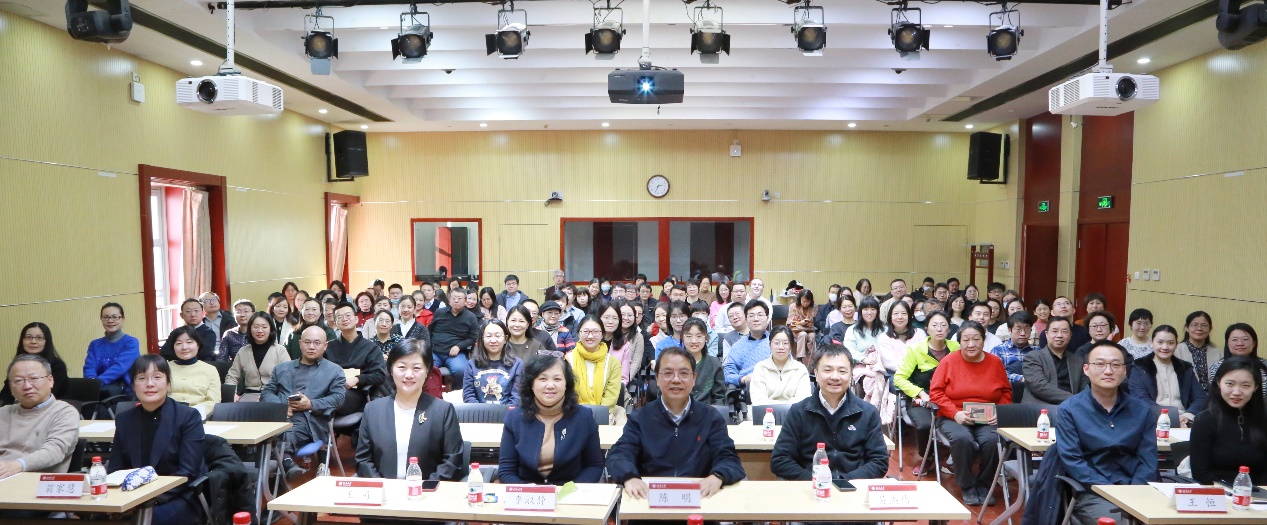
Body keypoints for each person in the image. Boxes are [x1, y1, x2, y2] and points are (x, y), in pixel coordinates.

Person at [606, 347, 745, 499]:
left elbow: (729, 458)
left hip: (699, 498)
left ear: (694, 378)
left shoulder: (711, 417)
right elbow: (619, 455)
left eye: (684, 373)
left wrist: (717, 476)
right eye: (668, 373)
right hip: (650, 499)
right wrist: (629, 477)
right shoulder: (640, 418)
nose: (676, 379)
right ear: (657, 378)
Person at [1054, 341, 1157, 525]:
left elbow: (1148, 459)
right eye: (1100, 364)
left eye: (1115, 365)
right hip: (1093, 492)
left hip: (1136, 489)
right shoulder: (1069, 410)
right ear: (1086, 369)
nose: (1108, 371)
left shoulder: (1142, 410)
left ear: (1124, 371)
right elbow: (1073, 461)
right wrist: (1111, 491)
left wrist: (1135, 491)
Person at [770, 344, 889, 485]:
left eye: (842, 371)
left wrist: (842, 482)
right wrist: (818, 482)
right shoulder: (799, 412)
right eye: (827, 370)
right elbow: (780, 460)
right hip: (810, 488)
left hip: (853, 488)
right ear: (816, 373)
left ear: (851, 374)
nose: (835, 377)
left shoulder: (867, 412)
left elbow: (879, 461)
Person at [110, 355, 207, 525]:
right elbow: (115, 469)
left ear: (168, 383)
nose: (149, 384)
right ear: (133, 385)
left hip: (177, 496)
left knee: (146, 520)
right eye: (142, 378)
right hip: (132, 497)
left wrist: (147, 500)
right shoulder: (124, 420)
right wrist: (126, 500)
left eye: (157, 377)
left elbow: (188, 472)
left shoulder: (187, 417)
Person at [355, 339, 464, 481]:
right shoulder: (373, 410)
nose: (408, 375)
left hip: (428, 491)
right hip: (384, 491)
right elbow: (363, 460)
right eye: (402, 367)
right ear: (391, 370)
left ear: (427, 371)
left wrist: (423, 488)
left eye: (416, 368)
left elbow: (452, 461)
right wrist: (382, 487)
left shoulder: (443, 411)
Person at [929, 321, 1011, 505]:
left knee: (992, 440)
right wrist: (954, 413)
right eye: (966, 339)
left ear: (984, 340)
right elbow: (936, 393)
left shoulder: (994, 362)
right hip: (954, 416)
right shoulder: (949, 361)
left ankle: (984, 484)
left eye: (976, 339)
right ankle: (966, 485)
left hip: (987, 418)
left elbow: (1006, 392)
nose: (971, 344)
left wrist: (1000, 411)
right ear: (959, 341)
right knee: (963, 439)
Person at [499, 354, 606, 485]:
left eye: (557, 379)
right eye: (543, 379)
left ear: (566, 384)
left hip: (569, 490)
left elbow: (594, 466)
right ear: (531, 384)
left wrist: (570, 490)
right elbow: (506, 471)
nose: (550, 385)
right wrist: (527, 491)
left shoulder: (584, 417)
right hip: (527, 491)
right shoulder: (514, 418)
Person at [261, 324, 347, 480]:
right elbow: (267, 392)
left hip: (310, 420)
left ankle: (284, 464)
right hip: (279, 417)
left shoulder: (334, 371)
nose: (311, 347)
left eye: (317, 343)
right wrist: (281, 407)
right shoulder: (281, 369)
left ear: (325, 346)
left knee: (285, 433)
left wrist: (311, 404)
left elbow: (339, 398)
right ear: (300, 344)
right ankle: (283, 466)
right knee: (261, 433)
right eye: (307, 342)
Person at [893, 312, 960, 464]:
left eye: (943, 325)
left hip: (950, 399)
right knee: (925, 426)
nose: (939, 329)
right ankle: (928, 457)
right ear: (927, 329)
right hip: (922, 398)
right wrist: (920, 393)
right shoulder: (915, 349)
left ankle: (953, 457)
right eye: (934, 325)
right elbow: (899, 378)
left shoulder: (956, 348)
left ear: (949, 329)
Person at [1190, 356, 1267, 486]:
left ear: (1255, 387)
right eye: (1230, 384)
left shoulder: (1263, 419)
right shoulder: (1205, 420)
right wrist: (1233, 492)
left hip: (1257, 493)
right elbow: (1201, 473)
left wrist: (1257, 492)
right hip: (1217, 491)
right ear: (1218, 383)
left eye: (1245, 385)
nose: (1236, 392)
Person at [0, 355, 80, 480]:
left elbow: (54, 451)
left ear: (50, 381)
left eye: (34, 378)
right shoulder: (4, 413)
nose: (27, 386)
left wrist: (17, 465)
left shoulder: (64, 412)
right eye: (18, 381)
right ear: (11, 387)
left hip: (38, 482)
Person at [1128, 325, 1206, 427]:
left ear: (1176, 345)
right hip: (1151, 421)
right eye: (1160, 342)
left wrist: (1187, 416)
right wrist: (1172, 417)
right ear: (1152, 343)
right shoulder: (1139, 367)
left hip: (1184, 421)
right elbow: (1140, 399)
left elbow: (1200, 397)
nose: (1165, 347)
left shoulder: (1185, 368)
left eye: (1170, 343)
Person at [327, 303, 387, 415]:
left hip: (354, 393)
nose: (344, 319)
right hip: (330, 389)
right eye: (340, 317)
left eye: (348, 315)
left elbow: (379, 375)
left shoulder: (371, 348)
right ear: (335, 323)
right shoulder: (328, 347)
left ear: (356, 319)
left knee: (338, 396)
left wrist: (358, 379)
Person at [0, 322, 69, 406]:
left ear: (46, 341)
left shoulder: (57, 366)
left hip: (51, 408)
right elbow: (6, 394)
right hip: (21, 408)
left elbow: (46, 395)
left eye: (39, 338)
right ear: (22, 341)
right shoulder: (17, 366)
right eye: (28, 337)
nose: (33, 341)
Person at [85, 302, 141, 404]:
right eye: (106, 317)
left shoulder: (131, 342)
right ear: (101, 319)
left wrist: (97, 384)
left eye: (115, 317)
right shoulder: (94, 344)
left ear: (122, 319)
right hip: (100, 393)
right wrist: (91, 383)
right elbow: (89, 367)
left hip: (126, 395)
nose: (110, 321)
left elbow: (120, 367)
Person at [1023, 316, 1087, 405]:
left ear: (1070, 335)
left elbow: (1085, 388)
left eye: (1064, 331)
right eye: (1054, 331)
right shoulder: (1033, 357)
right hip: (1040, 408)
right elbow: (1039, 386)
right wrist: (1074, 399)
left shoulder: (1078, 361)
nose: (1059, 335)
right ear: (1046, 334)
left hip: (1072, 408)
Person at [567, 316, 622, 418]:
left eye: (595, 332)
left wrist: (596, 416)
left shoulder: (613, 363)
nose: (590, 336)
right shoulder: (568, 360)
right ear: (579, 334)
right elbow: (567, 392)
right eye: (586, 332)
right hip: (573, 414)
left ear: (602, 335)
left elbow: (610, 397)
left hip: (603, 414)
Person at [225, 311, 291, 396]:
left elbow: (288, 378)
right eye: (256, 327)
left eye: (264, 327)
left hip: (273, 395)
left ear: (271, 329)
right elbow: (232, 376)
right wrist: (232, 394)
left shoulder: (280, 350)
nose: (260, 331)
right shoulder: (243, 351)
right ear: (250, 329)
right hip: (249, 395)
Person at [164, 325, 222, 419]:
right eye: (178, 343)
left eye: (189, 342)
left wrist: (192, 414)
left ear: (198, 345)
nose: (184, 347)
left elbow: (213, 401)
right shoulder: (164, 368)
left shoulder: (210, 370)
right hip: (168, 417)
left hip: (198, 417)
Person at [463, 321, 523, 406]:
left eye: (498, 336)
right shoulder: (472, 365)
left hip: (508, 412)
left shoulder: (517, 364)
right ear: (482, 339)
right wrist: (481, 412)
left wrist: (506, 412)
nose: (493, 340)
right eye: (488, 336)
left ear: (505, 339)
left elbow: (517, 398)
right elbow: (468, 396)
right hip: (479, 412)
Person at [748, 326, 811, 407]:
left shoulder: (800, 369)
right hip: (765, 413)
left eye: (785, 343)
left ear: (791, 346)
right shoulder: (760, 368)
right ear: (770, 345)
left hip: (793, 413)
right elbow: (759, 400)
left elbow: (803, 399)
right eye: (776, 343)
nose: (781, 347)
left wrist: (782, 408)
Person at [429, 288, 479, 388]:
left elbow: (473, 338)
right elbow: (429, 331)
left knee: (461, 370)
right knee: (426, 369)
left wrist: (459, 346)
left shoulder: (471, 317)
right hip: (435, 352)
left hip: (456, 354)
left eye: (459, 298)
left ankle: (456, 393)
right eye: (453, 298)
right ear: (449, 299)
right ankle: (432, 394)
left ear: (465, 301)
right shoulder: (439, 312)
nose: (456, 301)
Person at [1208, 323, 1267, 397]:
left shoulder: (1265, 365)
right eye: (1234, 340)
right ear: (1227, 343)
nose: (1240, 343)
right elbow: (1214, 395)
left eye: (1245, 339)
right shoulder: (1216, 367)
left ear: (1254, 343)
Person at [722, 300, 772, 386]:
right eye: (751, 316)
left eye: (760, 315)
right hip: (748, 388)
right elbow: (727, 374)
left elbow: (790, 367)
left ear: (767, 318)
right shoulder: (737, 346)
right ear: (746, 320)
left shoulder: (778, 342)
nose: (756, 319)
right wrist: (742, 379)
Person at [679, 318, 726, 405]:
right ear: (682, 337)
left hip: (707, 410)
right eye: (689, 336)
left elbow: (719, 397)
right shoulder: (674, 363)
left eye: (699, 336)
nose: (694, 341)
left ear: (706, 338)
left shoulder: (714, 363)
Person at [875, 300, 927, 374]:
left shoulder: (919, 333)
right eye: (896, 313)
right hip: (895, 373)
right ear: (890, 317)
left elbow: (924, 356)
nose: (900, 317)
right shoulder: (883, 338)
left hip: (919, 372)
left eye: (904, 313)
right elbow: (890, 363)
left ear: (909, 316)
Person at [991, 311, 1036, 384]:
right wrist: (1021, 379)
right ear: (1009, 330)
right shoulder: (999, 351)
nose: (1023, 333)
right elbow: (995, 374)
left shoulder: (1037, 351)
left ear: (1031, 330)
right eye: (1018, 329)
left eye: (1026, 329)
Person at [843, 297, 885, 367]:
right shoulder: (852, 330)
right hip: (859, 365)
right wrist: (863, 359)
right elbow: (849, 349)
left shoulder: (885, 330)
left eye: (873, 309)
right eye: (866, 309)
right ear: (860, 312)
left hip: (882, 364)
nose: (869, 312)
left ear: (877, 311)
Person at [786, 289, 817, 365]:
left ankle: (812, 359)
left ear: (811, 301)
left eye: (807, 301)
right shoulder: (793, 306)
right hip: (796, 330)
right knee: (803, 334)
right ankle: (800, 358)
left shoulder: (814, 307)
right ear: (800, 300)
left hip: (809, 329)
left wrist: (807, 322)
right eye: (803, 301)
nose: (805, 303)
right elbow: (790, 322)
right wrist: (801, 323)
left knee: (812, 336)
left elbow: (815, 321)